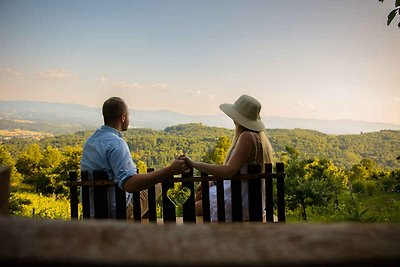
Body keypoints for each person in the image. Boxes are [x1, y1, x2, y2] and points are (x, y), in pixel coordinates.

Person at [80, 97, 188, 218]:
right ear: (123, 117)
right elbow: (129, 184)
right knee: (157, 185)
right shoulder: (117, 143)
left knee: (144, 189)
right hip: (119, 213)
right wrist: (170, 170)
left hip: (92, 214)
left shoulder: (90, 142)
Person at [182, 94, 273, 222]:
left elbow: (229, 171)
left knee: (191, 207)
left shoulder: (246, 136)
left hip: (240, 201)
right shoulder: (259, 139)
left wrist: (194, 164)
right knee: (199, 195)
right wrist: (213, 182)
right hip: (251, 200)